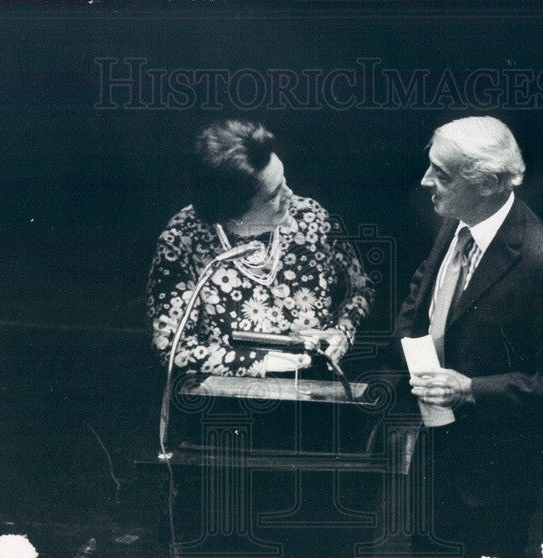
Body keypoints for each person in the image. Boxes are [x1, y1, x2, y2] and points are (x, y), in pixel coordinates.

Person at [394, 116, 543, 558]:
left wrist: (470, 390)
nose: (425, 182)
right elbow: (419, 306)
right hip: (433, 455)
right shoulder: (455, 226)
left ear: (487, 183)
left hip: (493, 476)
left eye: (441, 174)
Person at [146, 119, 373, 376]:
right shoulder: (182, 240)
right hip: (226, 405)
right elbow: (171, 348)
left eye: (284, 180)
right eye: (274, 194)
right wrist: (261, 363)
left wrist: (343, 331)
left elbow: (360, 290)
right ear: (234, 211)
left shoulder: (312, 218)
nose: (290, 194)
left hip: (316, 395)